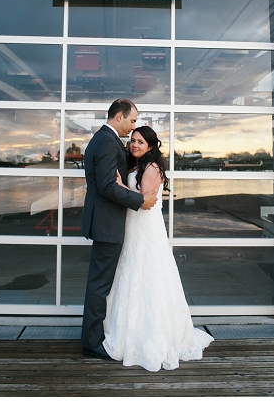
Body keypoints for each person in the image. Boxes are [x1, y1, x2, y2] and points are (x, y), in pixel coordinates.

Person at [103, 125, 213, 371]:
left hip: (145, 228)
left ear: (151, 146)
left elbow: (145, 202)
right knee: (131, 273)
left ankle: (150, 335)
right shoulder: (136, 165)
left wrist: (120, 185)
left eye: (141, 142)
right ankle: (127, 328)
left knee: (148, 275)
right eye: (133, 140)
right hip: (133, 227)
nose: (135, 145)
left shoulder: (151, 167)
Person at [81, 99, 158, 360]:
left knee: (100, 283)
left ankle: (94, 337)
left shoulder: (105, 140)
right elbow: (106, 186)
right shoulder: (105, 141)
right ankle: (92, 342)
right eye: (132, 120)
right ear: (120, 117)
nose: (133, 127)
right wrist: (140, 200)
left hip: (107, 221)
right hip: (107, 223)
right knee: (100, 285)